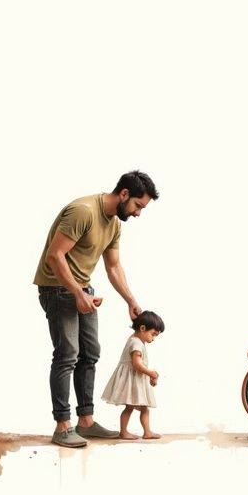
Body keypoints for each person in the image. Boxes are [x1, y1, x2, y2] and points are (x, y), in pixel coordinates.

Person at [34, 170, 159, 448]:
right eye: (138, 205)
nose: (139, 213)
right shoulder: (83, 211)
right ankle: (62, 425)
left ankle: (86, 422)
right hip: (56, 288)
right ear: (124, 194)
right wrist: (76, 292)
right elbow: (55, 256)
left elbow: (113, 266)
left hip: (83, 290)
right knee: (67, 355)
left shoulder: (114, 224)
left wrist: (131, 300)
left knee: (90, 353)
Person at [101, 310, 164, 440]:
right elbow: (137, 364)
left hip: (137, 379)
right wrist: (151, 373)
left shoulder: (135, 339)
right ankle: (123, 432)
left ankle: (147, 432)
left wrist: (149, 376)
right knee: (129, 407)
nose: (153, 339)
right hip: (132, 381)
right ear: (142, 328)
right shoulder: (136, 343)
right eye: (153, 334)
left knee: (144, 407)